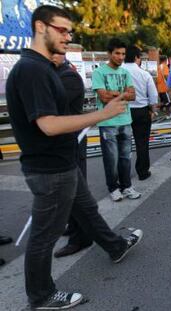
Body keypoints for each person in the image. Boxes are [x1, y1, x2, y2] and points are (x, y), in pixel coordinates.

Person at [6, 5, 143, 310]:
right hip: (49, 169)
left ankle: (116, 245)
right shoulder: (32, 69)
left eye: (70, 31)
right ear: (41, 27)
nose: (68, 37)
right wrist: (102, 114)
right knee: (46, 235)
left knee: (87, 210)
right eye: (62, 30)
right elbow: (49, 124)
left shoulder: (43, 67)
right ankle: (41, 295)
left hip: (62, 164)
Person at [51, 54, 93, 258]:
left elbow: (51, 106)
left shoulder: (68, 77)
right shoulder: (56, 74)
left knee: (75, 190)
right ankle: (76, 227)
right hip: (63, 141)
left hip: (71, 141)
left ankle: (80, 236)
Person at [92, 38, 141, 202]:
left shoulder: (125, 73)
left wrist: (114, 93)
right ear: (109, 54)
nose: (121, 57)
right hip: (107, 123)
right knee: (111, 159)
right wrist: (122, 94)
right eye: (117, 53)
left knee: (126, 157)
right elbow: (104, 97)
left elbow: (133, 96)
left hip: (125, 120)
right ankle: (113, 188)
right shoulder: (99, 72)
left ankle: (126, 186)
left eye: (123, 54)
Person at [123, 46, 158, 181]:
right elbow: (153, 96)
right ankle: (143, 172)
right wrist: (152, 111)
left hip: (123, 111)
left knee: (122, 144)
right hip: (141, 111)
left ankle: (123, 175)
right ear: (137, 58)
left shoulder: (119, 72)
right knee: (141, 143)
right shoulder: (144, 74)